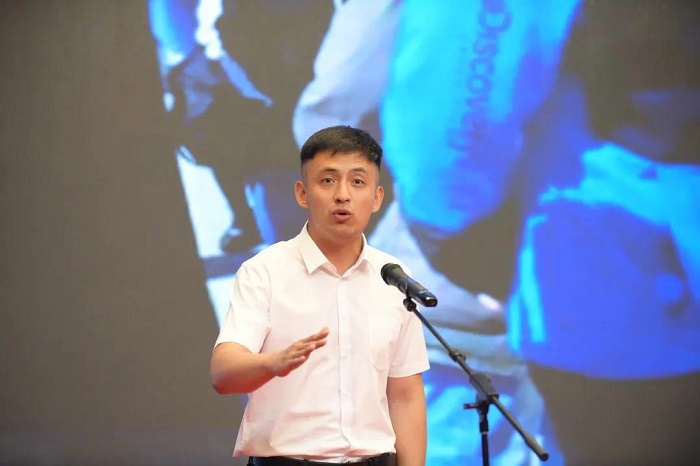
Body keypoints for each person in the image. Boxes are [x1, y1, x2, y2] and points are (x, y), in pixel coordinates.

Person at [210, 125, 430, 465]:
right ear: (302, 193)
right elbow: (223, 374)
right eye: (328, 180)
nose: (343, 195)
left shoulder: (393, 277)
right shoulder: (265, 270)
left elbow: (405, 395)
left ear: (377, 198)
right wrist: (273, 363)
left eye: (357, 182)